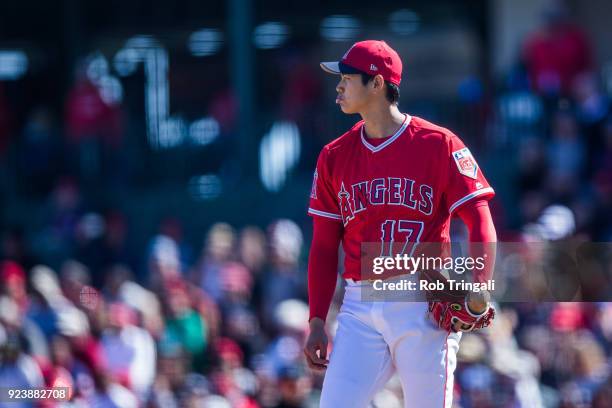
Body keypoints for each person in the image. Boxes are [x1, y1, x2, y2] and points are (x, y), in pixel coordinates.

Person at [302, 40, 497, 407]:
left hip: (420, 298)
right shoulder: (334, 156)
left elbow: (480, 221)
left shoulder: (439, 144)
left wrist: (480, 286)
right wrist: (316, 319)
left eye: (347, 78)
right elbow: (324, 246)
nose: (339, 87)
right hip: (360, 304)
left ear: (377, 83)